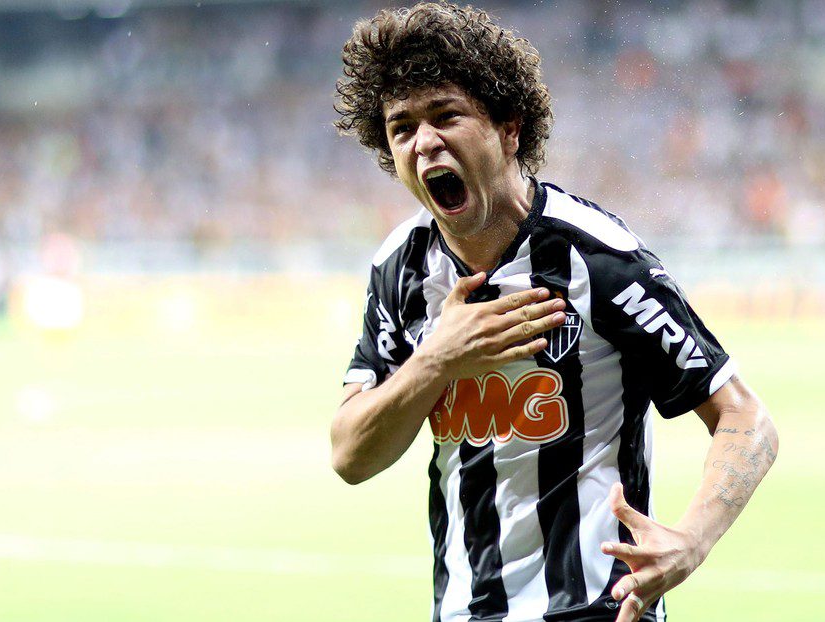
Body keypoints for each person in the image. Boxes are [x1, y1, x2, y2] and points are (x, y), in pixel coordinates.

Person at [329, 4, 778, 622]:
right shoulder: (400, 269)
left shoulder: (598, 259)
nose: (424, 141)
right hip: (462, 611)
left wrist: (690, 542)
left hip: (596, 609)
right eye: (401, 127)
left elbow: (746, 418)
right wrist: (436, 359)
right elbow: (350, 455)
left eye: (446, 116)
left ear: (509, 128)